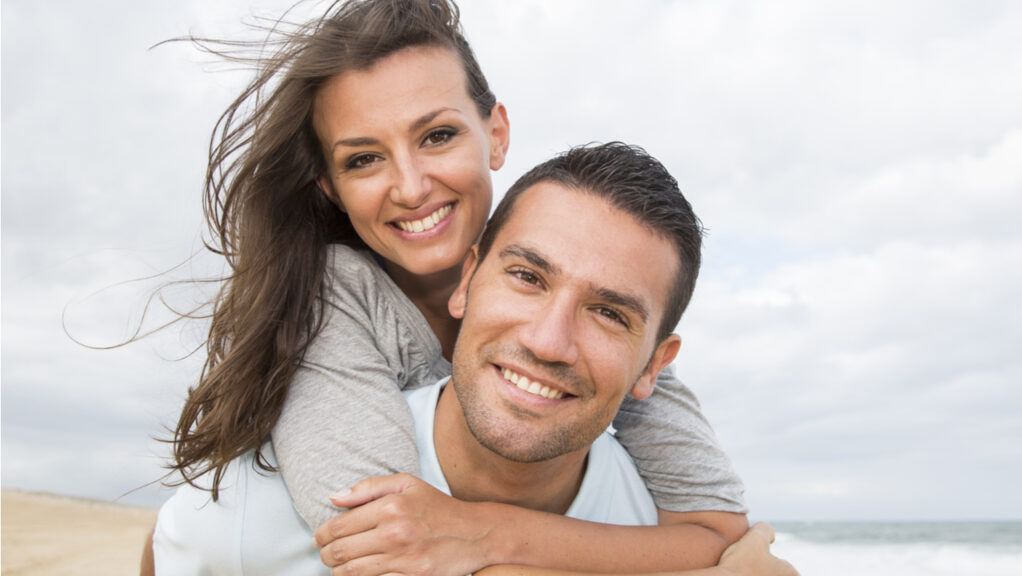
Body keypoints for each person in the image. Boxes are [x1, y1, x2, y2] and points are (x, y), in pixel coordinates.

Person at [162, 0, 746, 572]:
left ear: (496, 134)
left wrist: (491, 533)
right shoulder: (327, 298)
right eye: (363, 159)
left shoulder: (585, 290)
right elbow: (391, 544)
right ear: (330, 187)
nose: (412, 187)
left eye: (438, 136)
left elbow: (718, 532)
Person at [150, 143, 796, 576]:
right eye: (527, 277)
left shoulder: (667, 537)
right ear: (466, 280)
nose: (548, 342)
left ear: (655, 365)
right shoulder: (257, 512)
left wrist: (487, 536)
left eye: (608, 313)